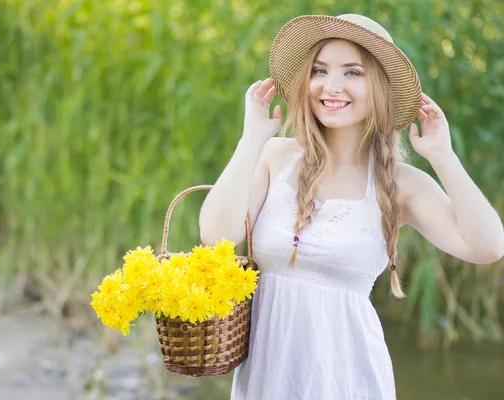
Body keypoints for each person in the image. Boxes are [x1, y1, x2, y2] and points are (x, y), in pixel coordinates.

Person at [198, 13, 504, 400]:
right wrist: (252, 138)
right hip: (267, 378)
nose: (331, 86)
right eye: (320, 70)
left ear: (379, 87)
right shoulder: (277, 157)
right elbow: (215, 234)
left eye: (352, 73)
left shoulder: (399, 184)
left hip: (347, 378)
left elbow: (488, 247)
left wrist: (443, 156)